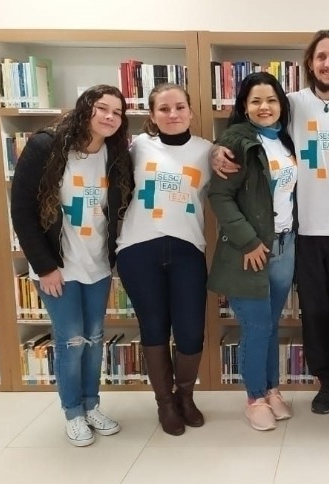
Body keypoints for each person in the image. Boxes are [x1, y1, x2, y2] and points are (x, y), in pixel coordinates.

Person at [212, 30, 329, 426]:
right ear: (309, 63)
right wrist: (215, 149)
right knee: (313, 316)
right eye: (321, 57)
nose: (328, 64)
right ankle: (326, 384)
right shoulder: (291, 105)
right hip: (304, 235)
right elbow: (247, 133)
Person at [10, 84, 133, 446]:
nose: (110, 116)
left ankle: (92, 405)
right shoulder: (45, 146)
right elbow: (22, 211)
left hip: (97, 264)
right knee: (71, 339)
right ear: (84, 109)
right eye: (102, 108)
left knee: (94, 339)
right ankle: (73, 413)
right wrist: (44, 266)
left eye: (118, 112)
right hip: (57, 267)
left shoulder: (115, 153)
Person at [115, 83, 212, 436]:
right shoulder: (137, 147)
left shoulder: (207, 151)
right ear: (152, 116)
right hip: (139, 248)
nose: (173, 114)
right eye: (164, 109)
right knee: (154, 327)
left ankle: (185, 396)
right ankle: (165, 403)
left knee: (190, 331)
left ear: (191, 111)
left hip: (188, 249)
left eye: (180, 107)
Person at [207, 72, 297, 431]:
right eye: (256, 100)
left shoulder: (285, 140)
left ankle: (271, 389)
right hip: (251, 252)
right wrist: (248, 240)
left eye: (271, 100)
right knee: (256, 326)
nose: (264, 107)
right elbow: (219, 196)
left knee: (271, 325)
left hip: (285, 246)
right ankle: (254, 398)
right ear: (244, 106)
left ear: (281, 105)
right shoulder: (236, 143)